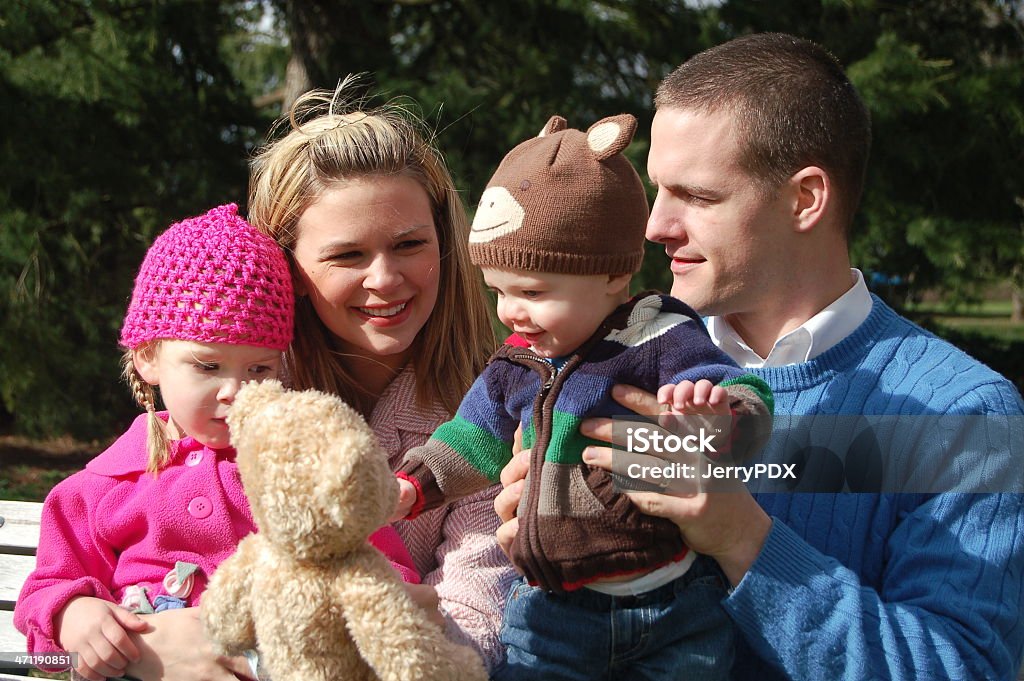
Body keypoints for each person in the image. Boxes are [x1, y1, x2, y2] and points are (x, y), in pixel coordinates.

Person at [495, 33, 1024, 680]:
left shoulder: (964, 415)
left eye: (697, 196)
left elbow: (961, 668)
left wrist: (743, 537)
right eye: (657, 189)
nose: (654, 226)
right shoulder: (601, 357)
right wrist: (537, 550)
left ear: (805, 198)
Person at [122, 82, 517, 679]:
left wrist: (371, 622)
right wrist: (154, 640)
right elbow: (131, 546)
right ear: (292, 268)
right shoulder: (238, 393)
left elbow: (478, 610)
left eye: (409, 244)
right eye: (346, 256)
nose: (385, 279)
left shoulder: (487, 405)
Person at [394, 112, 773, 680]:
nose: (510, 312)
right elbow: (471, 437)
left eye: (532, 291)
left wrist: (720, 413)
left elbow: (734, 388)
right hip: (554, 608)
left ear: (612, 278)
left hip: (674, 601)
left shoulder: (659, 336)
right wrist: (414, 485)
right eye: (497, 290)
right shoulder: (515, 364)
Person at [14, 205, 421, 681]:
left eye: (260, 368)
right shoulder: (102, 487)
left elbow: (387, 571)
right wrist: (74, 616)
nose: (235, 390)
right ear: (148, 357)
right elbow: (47, 600)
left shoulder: (299, 473)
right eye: (208, 366)